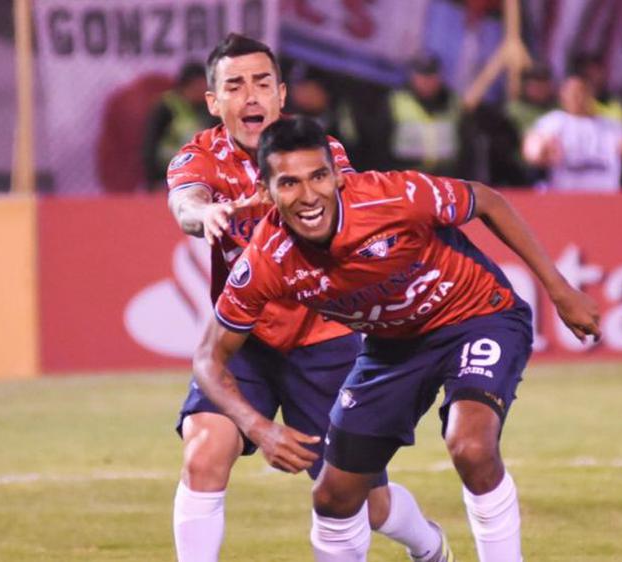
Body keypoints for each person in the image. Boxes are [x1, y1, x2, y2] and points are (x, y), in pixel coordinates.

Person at [194, 116, 601, 561]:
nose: (309, 196)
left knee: (471, 445)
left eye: (319, 177)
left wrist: (560, 291)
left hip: (477, 315)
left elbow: (487, 201)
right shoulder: (268, 260)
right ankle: (430, 550)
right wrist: (258, 427)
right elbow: (209, 359)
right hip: (392, 348)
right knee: (334, 498)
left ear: (337, 177)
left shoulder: (392, 196)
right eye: (289, 183)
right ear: (267, 193)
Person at [167, 35, 453, 562]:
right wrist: (203, 214)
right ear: (213, 102)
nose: (250, 96)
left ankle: (430, 545)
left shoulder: (316, 155)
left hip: (327, 342)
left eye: (261, 83)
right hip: (244, 339)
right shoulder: (199, 157)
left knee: (367, 505)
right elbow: (186, 200)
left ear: (281, 94)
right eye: (234, 86)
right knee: (205, 453)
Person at [523, 74, 622, 191]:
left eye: (581, 92)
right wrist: (542, 151)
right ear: (562, 95)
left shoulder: (611, 126)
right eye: (572, 93)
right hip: (566, 196)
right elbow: (532, 150)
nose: (577, 98)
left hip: (606, 194)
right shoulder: (553, 122)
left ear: (591, 93)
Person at [377, 54, 462, 177]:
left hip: (445, 177)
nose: (426, 80)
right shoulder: (395, 101)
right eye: (422, 74)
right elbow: (379, 144)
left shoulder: (453, 101)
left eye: (431, 74)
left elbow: (465, 142)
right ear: (412, 76)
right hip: (405, 175)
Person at [142, 62, 217, 191]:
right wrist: (153, 180)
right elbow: (150, 143)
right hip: (165, 176)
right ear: (188, 85)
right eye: (200, 85)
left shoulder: (209, 109)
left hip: (199, 176)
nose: (204, 89)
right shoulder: (166, 107)